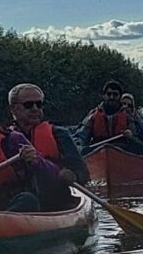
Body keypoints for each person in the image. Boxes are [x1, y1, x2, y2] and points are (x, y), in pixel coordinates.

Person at [6, 83, 90, 211]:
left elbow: (83, 172)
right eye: (28, 105)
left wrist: (74, 176)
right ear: (13, 109)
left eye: (39, 104)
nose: (35, 109)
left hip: (57, 203)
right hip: (23, 204)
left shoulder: (59, 134)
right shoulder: (6, 139)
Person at [76, 80, 143, 155]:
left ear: (120, 97)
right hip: (98, 151)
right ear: (104, 96)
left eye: (115, 94)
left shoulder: (129, 117)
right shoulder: (93, 116)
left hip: (123, 154)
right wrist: (81, 149)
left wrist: (131, 138)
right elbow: (80, 139)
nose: (111, 97)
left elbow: (141, 146)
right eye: (109, 94)